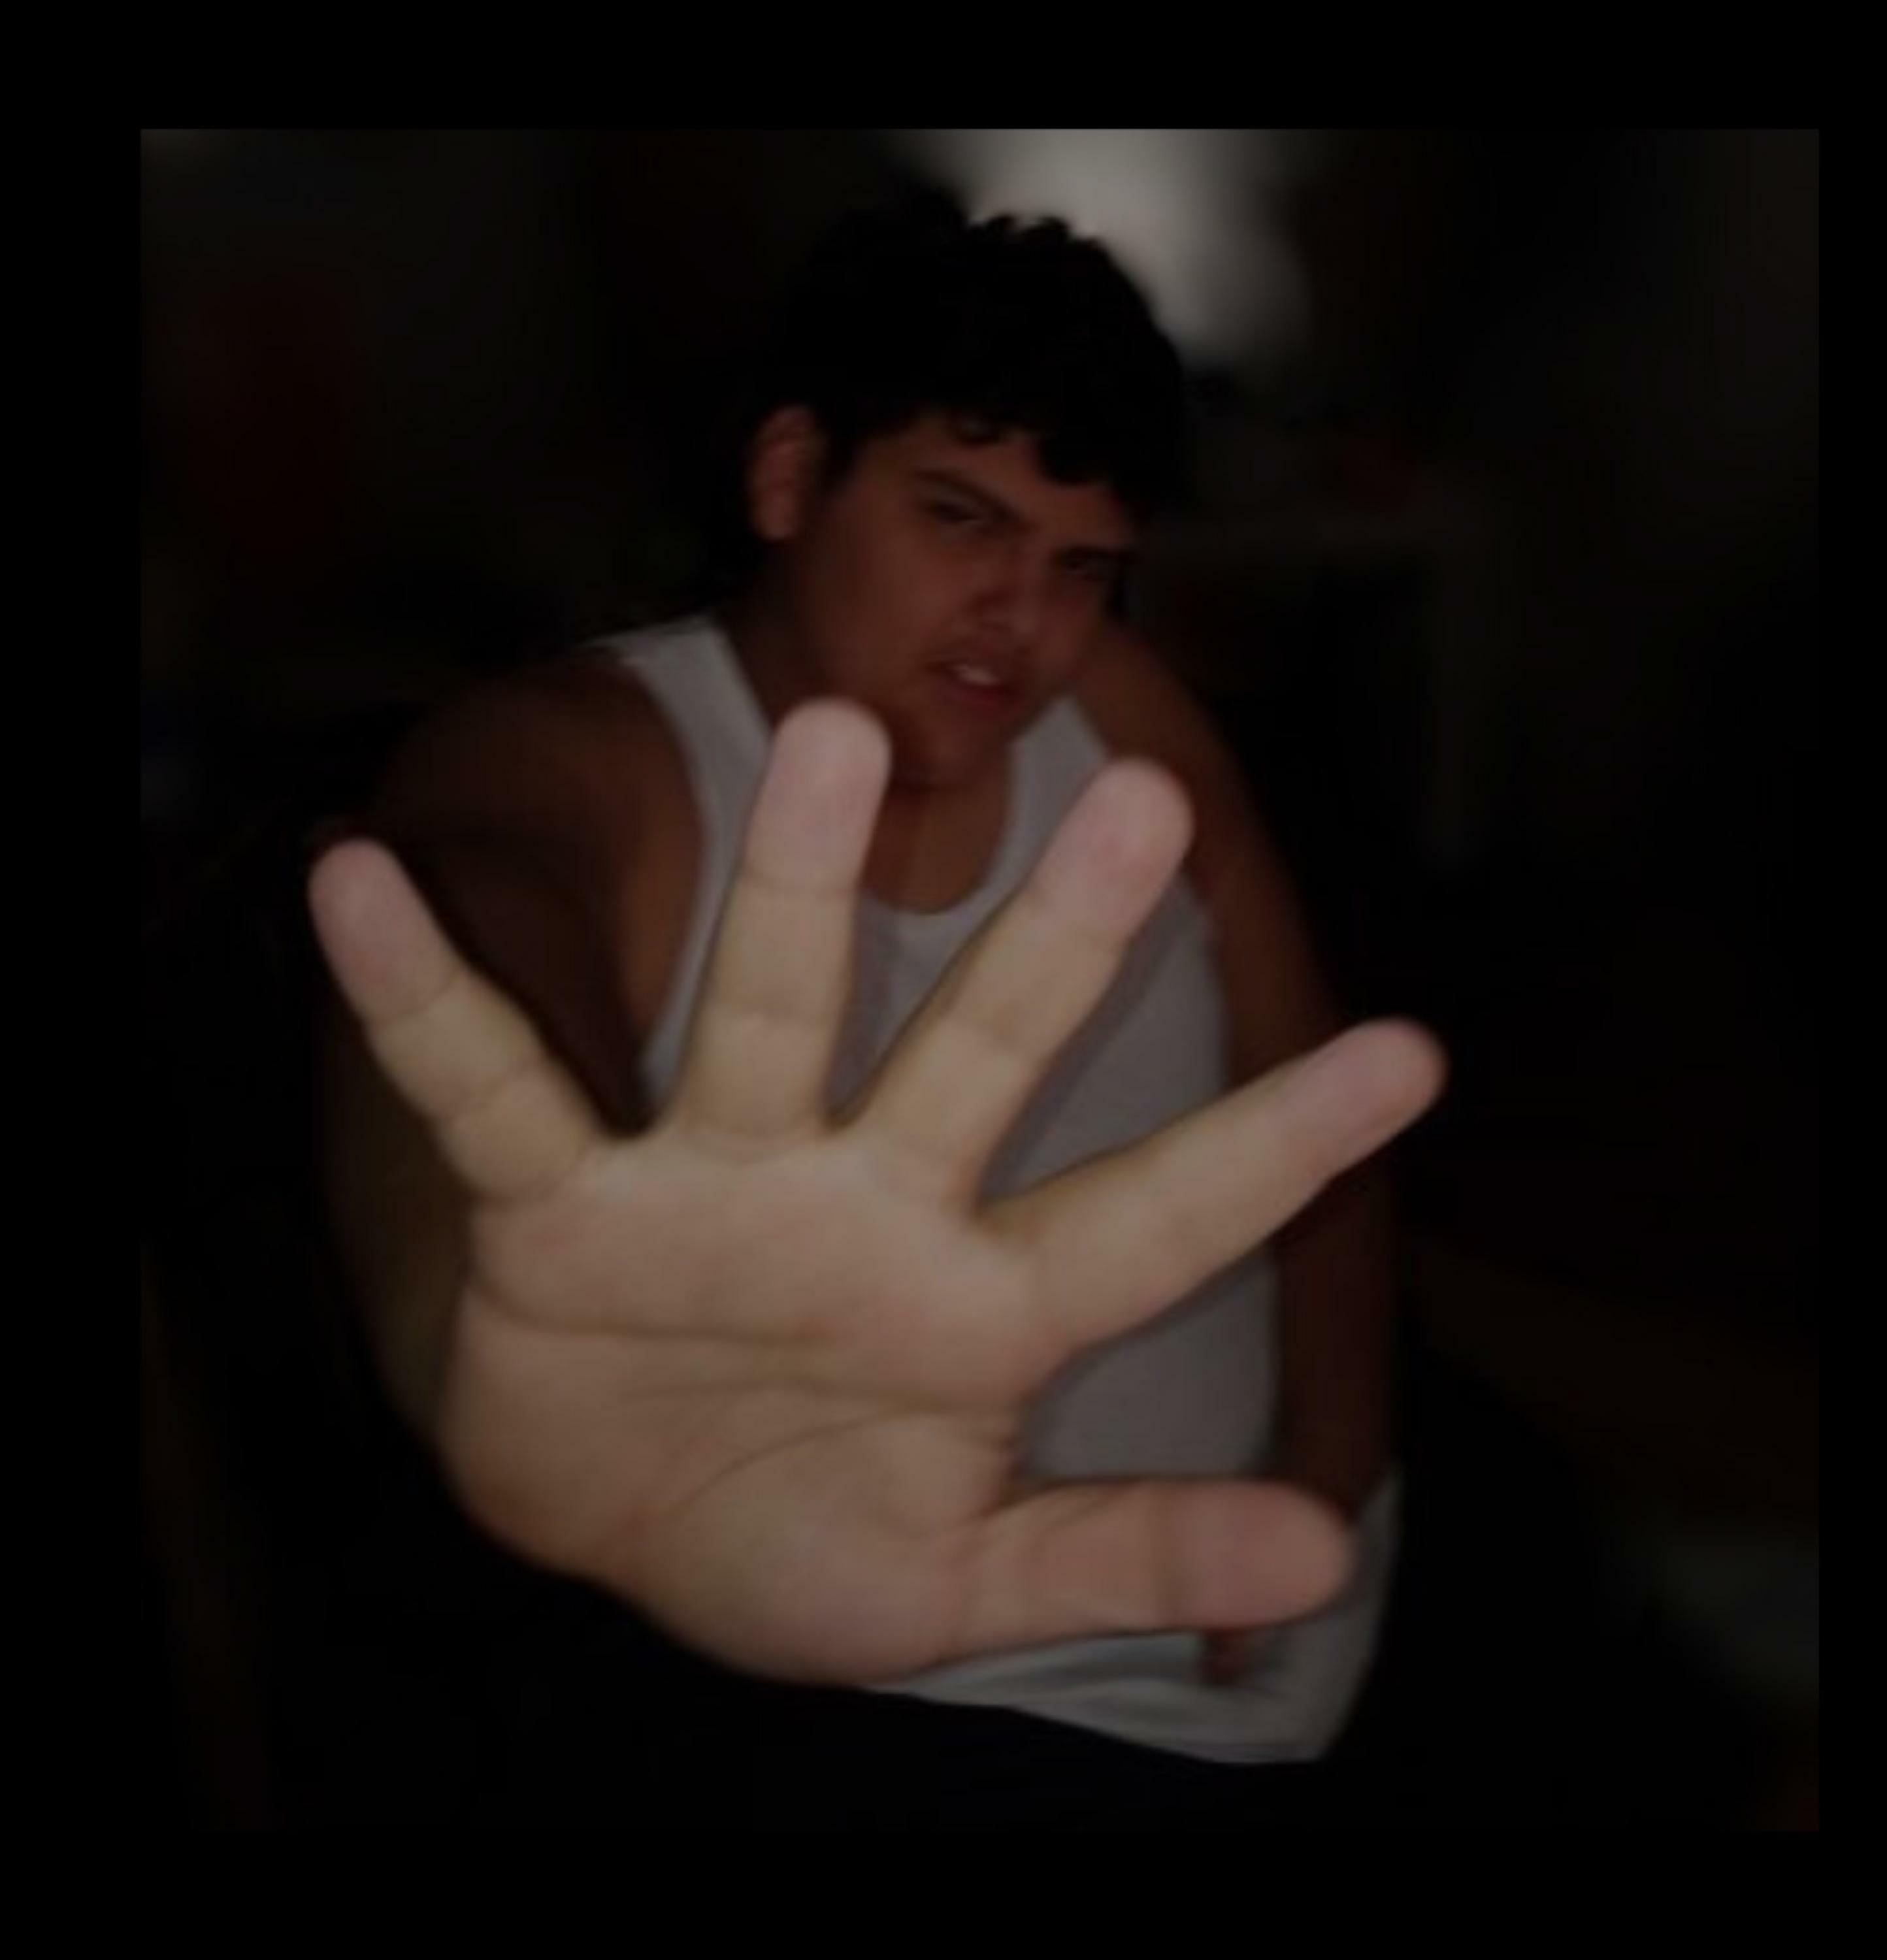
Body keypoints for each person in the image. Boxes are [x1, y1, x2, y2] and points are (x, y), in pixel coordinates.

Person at [309, 195, 1443, 1827]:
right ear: (790, 478)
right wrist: (461, 1310)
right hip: (918, 1679)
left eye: (1079, 567)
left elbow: (1312, 1115)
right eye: (958, 518)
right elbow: (467, 969)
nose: (1019, 618)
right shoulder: (591, 764)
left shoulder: (1116, 713)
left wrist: (1333, 1483)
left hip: (1294, 1612)